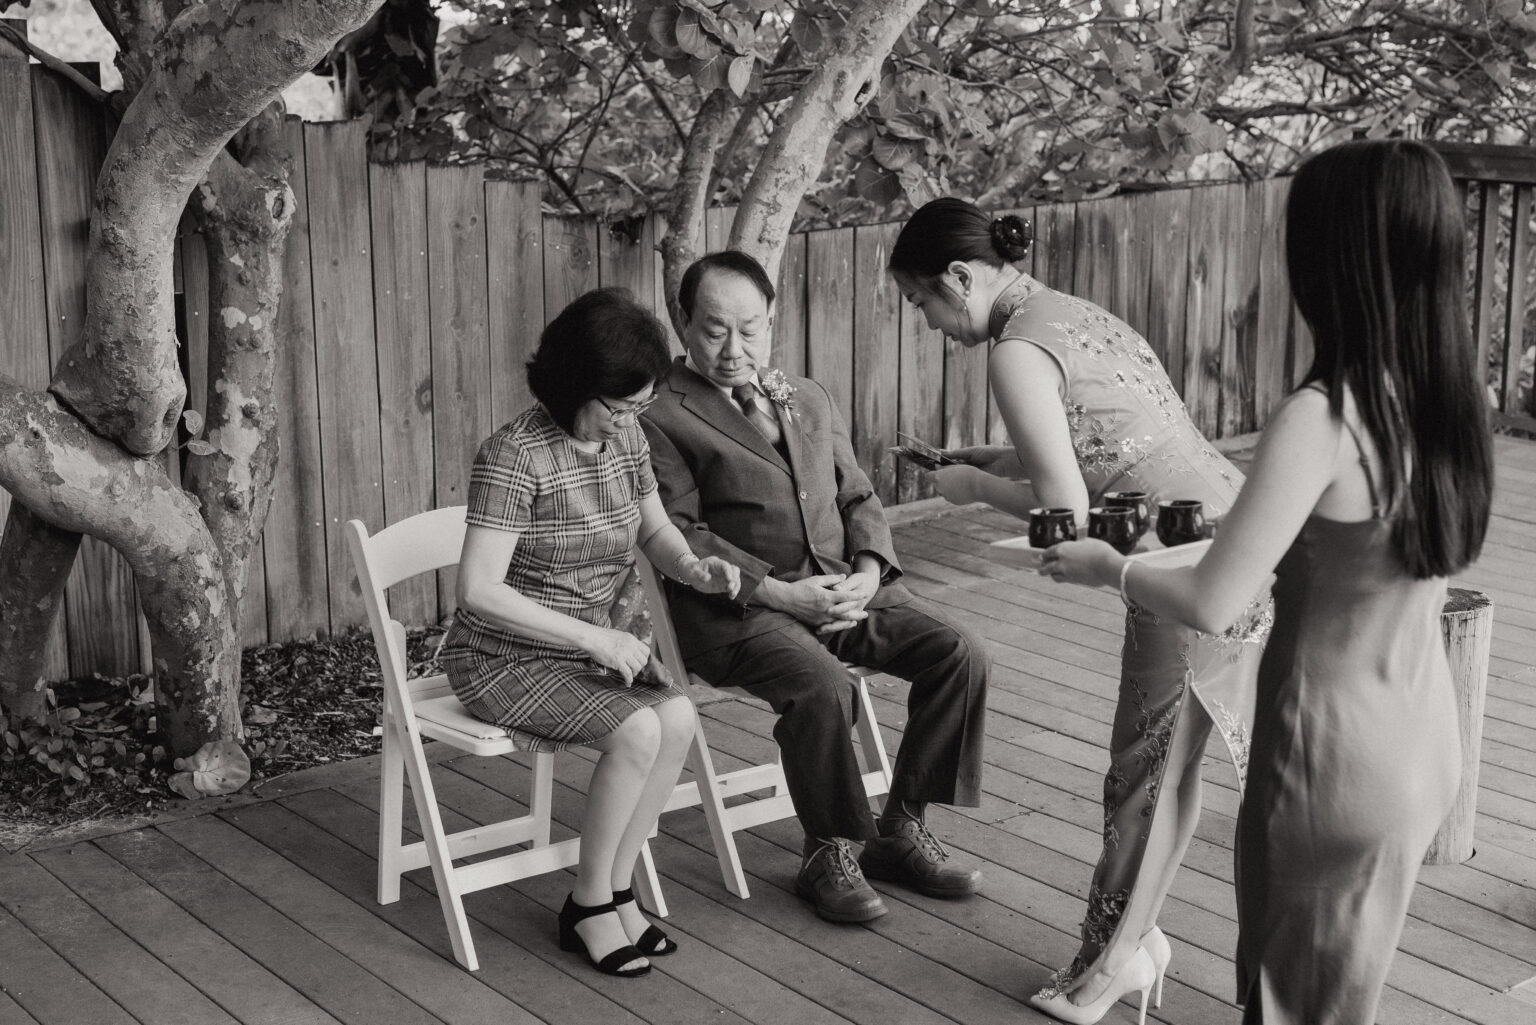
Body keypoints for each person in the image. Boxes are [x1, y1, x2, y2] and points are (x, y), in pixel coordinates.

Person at [1042, 139, 1492, 1024]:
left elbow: (1214, 599)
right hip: (1420, 741)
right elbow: (1350, 548)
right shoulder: (1447, 401)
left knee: (1284, 1003)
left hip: (1328, 761)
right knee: (1339, 996)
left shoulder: (1322, 416)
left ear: (1333, 258)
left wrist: (1114, 567)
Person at [889, 198, 1272, 1023]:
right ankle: (1137, 936)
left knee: (1145, 766)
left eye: (922, 300)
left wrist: (972, 486)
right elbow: (1105, 454)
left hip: (1180, 561)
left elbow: (1063, 510)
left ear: (960, 277)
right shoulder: (1071, 313)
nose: (925, 321)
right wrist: (989, 460)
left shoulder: (1014, 353)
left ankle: (1111, 960)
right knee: (1171, 762)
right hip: (1233, 531)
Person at [639, 250, 992, 924]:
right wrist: (778, 593)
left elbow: (858, 494)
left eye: (750, 328)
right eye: (715, 329)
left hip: (840, 590)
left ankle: (900, 824)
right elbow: (682, 536)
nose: (733, 348)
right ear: (683, 321)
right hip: (736, 612)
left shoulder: (805, 395)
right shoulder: (661, 416)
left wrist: (865, 570)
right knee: (826, 683)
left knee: (961, 652)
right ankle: (828, 849)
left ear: (772, 321)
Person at [439, 287, 741, 978]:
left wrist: (694, 567)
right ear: (579, 382)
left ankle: (615, 889)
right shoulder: (513, 455)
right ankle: (585, 904)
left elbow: (654, 530)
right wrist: (594, 639)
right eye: (621, 405)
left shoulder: (626, 437)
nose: (631, 419)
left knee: (680, 718)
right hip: (500, 655)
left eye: (641, 405)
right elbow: (479, 589)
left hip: (589, 645)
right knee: (639, 730)